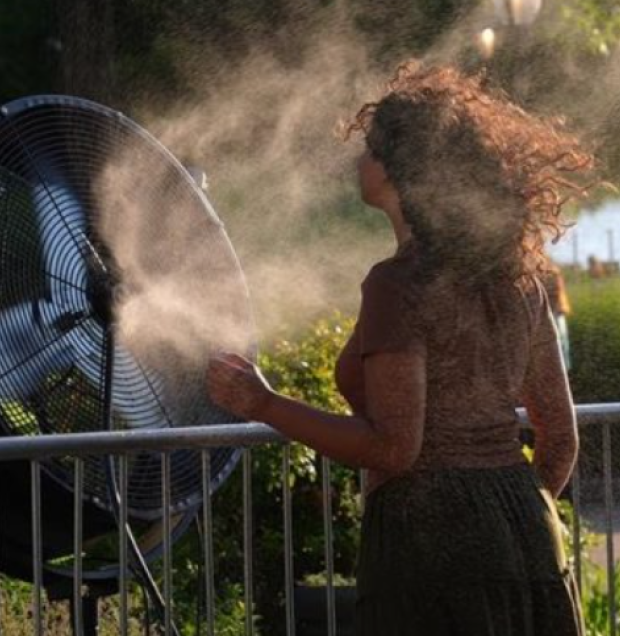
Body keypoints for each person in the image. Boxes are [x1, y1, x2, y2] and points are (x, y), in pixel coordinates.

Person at [206, 61, 594, 635]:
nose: (359, 161)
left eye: (369, 149)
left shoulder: (397, 285)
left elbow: (394, 448)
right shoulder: (520, 280)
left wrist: (265, 405)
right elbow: (559, 440)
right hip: (530, 537)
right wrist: (512, 513)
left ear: (398, 170)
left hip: (426, 544)